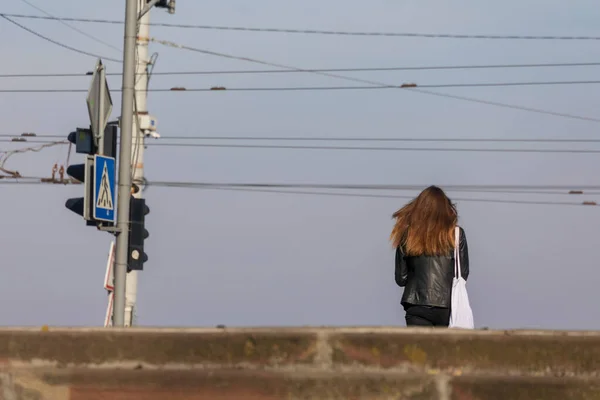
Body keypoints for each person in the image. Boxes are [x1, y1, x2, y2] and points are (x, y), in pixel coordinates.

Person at [390, 186, 469, 327]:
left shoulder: (407, 235)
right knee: (442, 349)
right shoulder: (456, 234)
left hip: (415, 304)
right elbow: (462, 274)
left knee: (418, 348)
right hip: (445, 306)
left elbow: (401, 279)